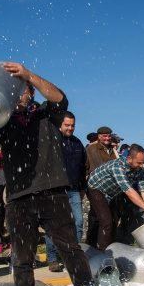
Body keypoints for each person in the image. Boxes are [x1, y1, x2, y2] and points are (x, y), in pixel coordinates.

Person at [0, 61, 112, 286]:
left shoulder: (46, 114)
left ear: (29, 92)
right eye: (13, 91)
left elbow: (60, 97)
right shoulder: (3, 121)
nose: (18, 95)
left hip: (53, 192)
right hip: (19, 198)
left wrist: (28, 75)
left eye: (22, 90)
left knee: (71, 250)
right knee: (22, 258)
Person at [87, 144, 144, 250]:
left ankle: (102, 246)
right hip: (96, 188)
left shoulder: (140, 170)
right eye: (139, 163)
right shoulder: (117, 166)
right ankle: (103, 254)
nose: (141, 165)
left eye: (143, 162)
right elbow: (129, 192)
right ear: (129, 158)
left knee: (111, 220)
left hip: (112, 193)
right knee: (106, 221)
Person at [44, 111, 86, 272]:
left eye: (72, 125)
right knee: (54, 225)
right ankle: (53, 258)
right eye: (67, 125)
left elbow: (82, 166)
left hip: (74, 189)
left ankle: (70, 256)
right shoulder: (52, 141)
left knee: (78, 222)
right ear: (60, 125)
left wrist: (82, 187)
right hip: (55, 190)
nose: (70, 128)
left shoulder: (77, 143)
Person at [85, 125, 118, 247]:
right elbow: (85, 167)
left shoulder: (113, 150)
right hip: (96, 187)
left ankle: (107, 245)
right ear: (99, 136)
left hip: (111, 189)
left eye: (109, 136)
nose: (107, 138)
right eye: (104, 136)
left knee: (109, 218)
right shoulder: (91, 149)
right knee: (101, 219)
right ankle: (98, 247)